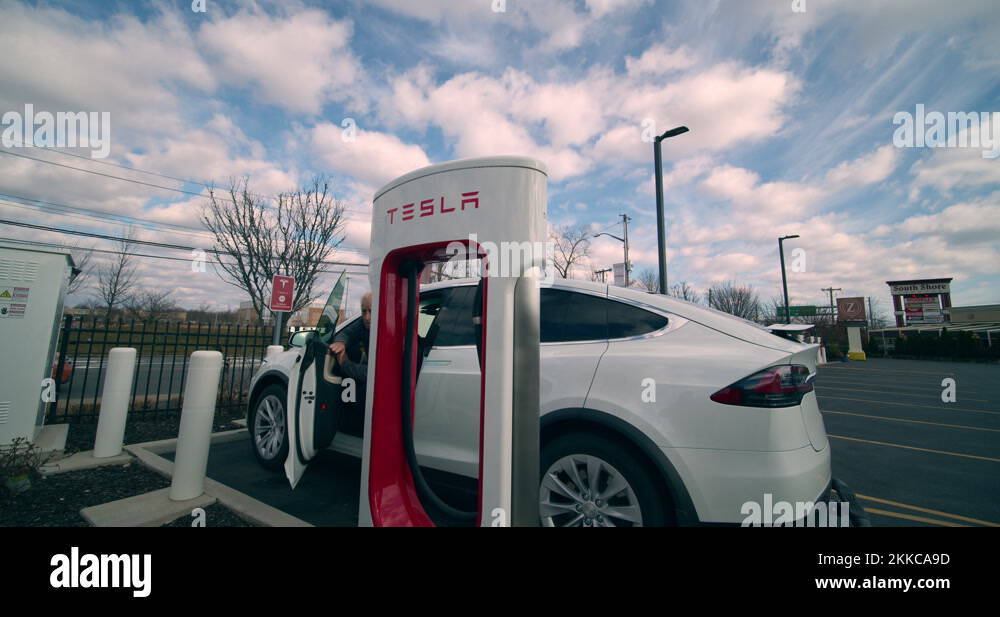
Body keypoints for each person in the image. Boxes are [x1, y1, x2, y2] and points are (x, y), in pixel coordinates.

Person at [329, 291, 372, 385]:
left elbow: (374, 375)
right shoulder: (363, 324)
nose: (367, 317)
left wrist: (345, 365)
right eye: (364, 311)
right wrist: (340, 343)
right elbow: (346, 333)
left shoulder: (389, 335)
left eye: (371, 311)